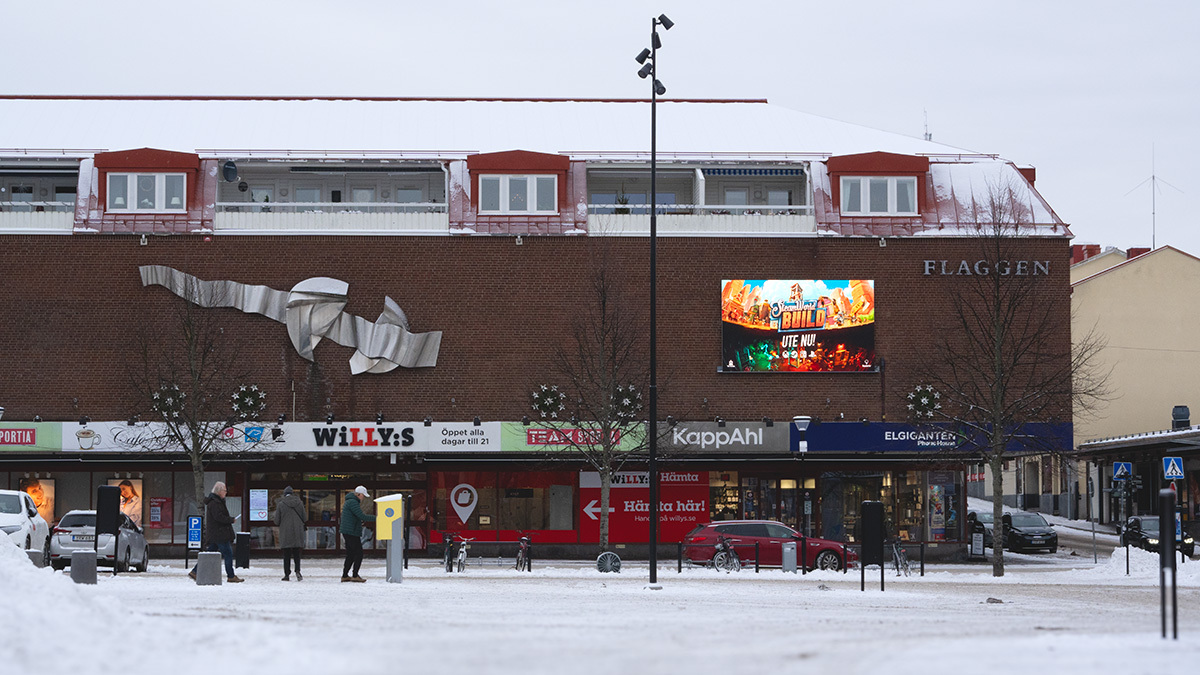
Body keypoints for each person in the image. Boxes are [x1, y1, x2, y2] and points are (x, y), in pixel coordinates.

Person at [189, 481, 243, 583]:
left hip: (217, 533)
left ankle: (195, 571)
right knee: (228, 554)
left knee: (209, 553)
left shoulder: (216, 501)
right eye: (224, 490)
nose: (226, 492)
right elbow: (218, 517)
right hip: (219, 533)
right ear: (219, 491)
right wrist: (230, 520)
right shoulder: (214, 503)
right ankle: (231, 576)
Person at [340, 485, 375, 582]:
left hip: (348, 531)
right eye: (363, 495)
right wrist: (378, 518)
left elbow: (356, 517)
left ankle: (345, 575)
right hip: (351, 532)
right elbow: (362, 515)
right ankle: (355, 575)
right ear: (358, 494)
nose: (363, 497)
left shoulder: (350, 501)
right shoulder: (353, 502)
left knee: (350, 554)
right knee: (359, 553)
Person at [273, 486, 306, 581]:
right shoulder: (299, 503)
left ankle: (287, 574)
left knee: (286, 554)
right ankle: (298, 571)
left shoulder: (281, 504)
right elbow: (304, 517)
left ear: (284, 494)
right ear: (292, 493)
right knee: (296, 553)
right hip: (297, 531)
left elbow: (277, 521)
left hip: (286, 532)